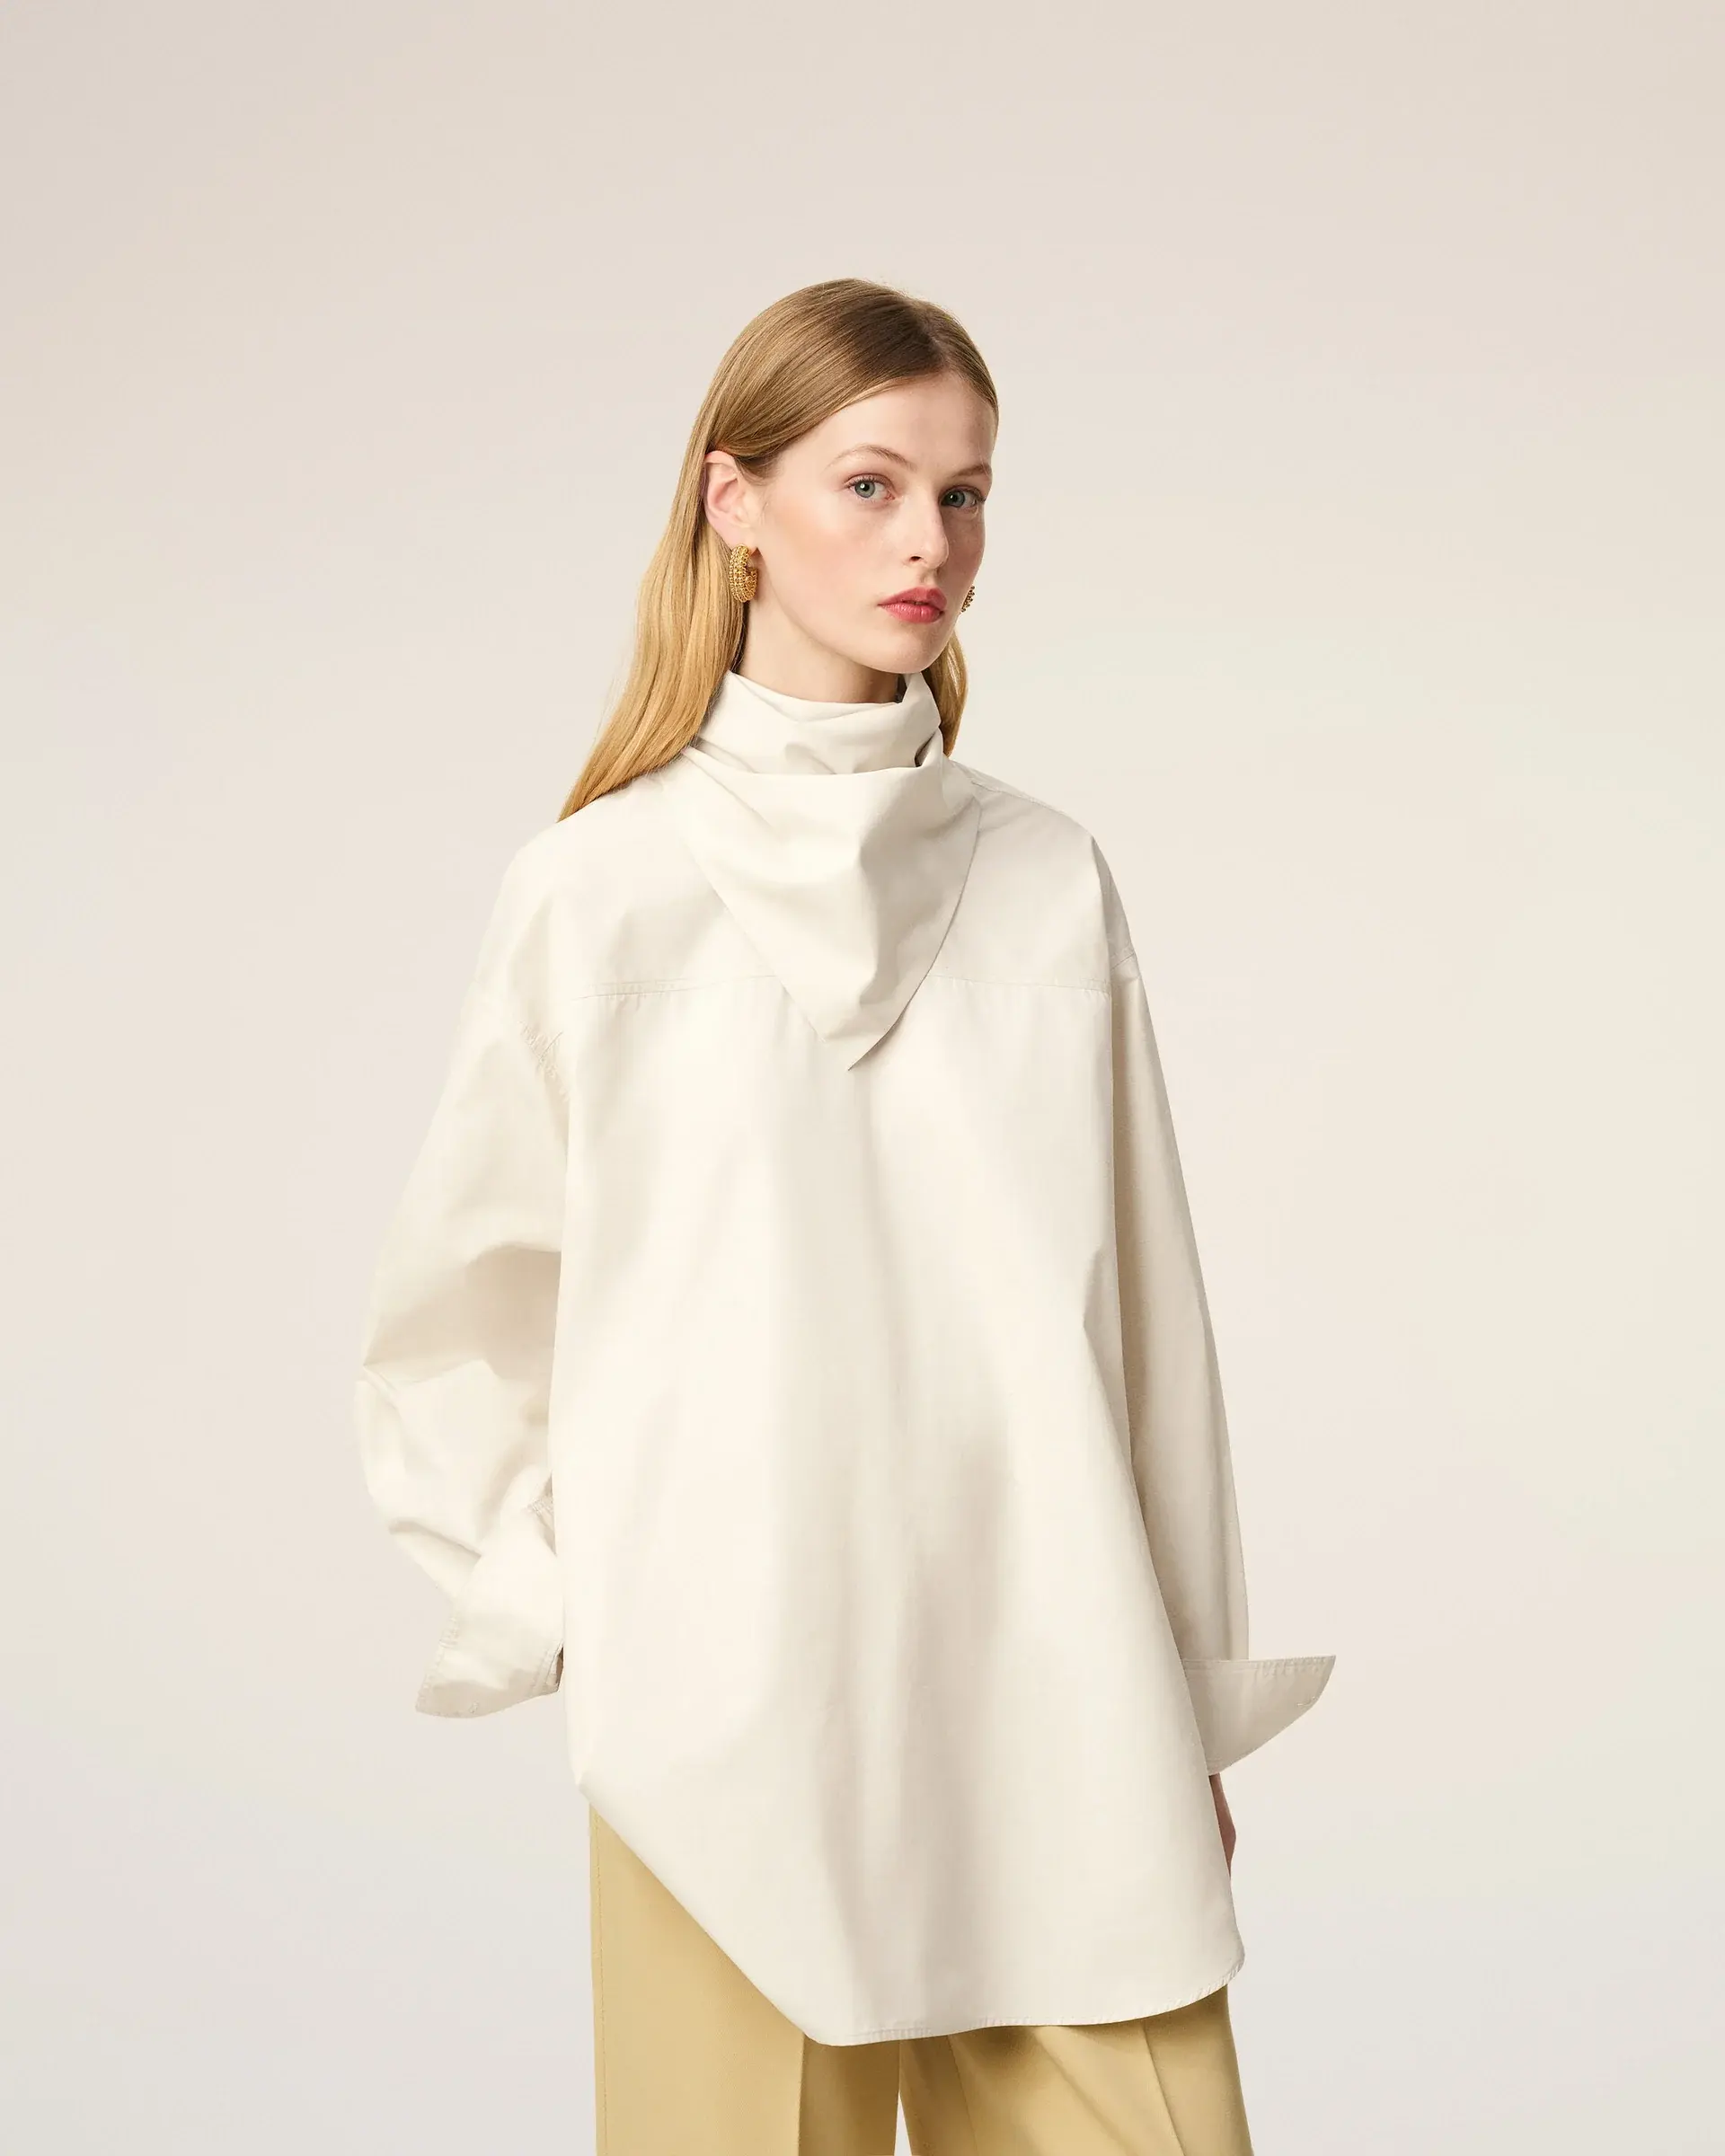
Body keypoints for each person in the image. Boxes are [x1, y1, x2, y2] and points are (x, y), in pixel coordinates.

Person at [353, 277, 1336, 2155]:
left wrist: (1189, 1700)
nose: (928, 544)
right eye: (871, 485)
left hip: (1053, 1660)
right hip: (726, 1703)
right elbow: (462, 1308)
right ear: (734, 502)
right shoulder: (596, 892)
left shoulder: (1047, 879)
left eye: (965, 495)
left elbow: (1151, 1332)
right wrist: (580, 1603)